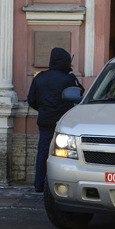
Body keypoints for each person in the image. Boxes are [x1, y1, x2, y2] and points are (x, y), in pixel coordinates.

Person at [27, 47, 84, 192]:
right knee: (65, 155)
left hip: (45, 120)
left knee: (43, 151)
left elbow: (31, 99)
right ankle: (62, 185)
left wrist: (43, 110)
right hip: (63, 123)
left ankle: (39, 185)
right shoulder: (69, 79)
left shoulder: (39, 77)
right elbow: (79, 93)